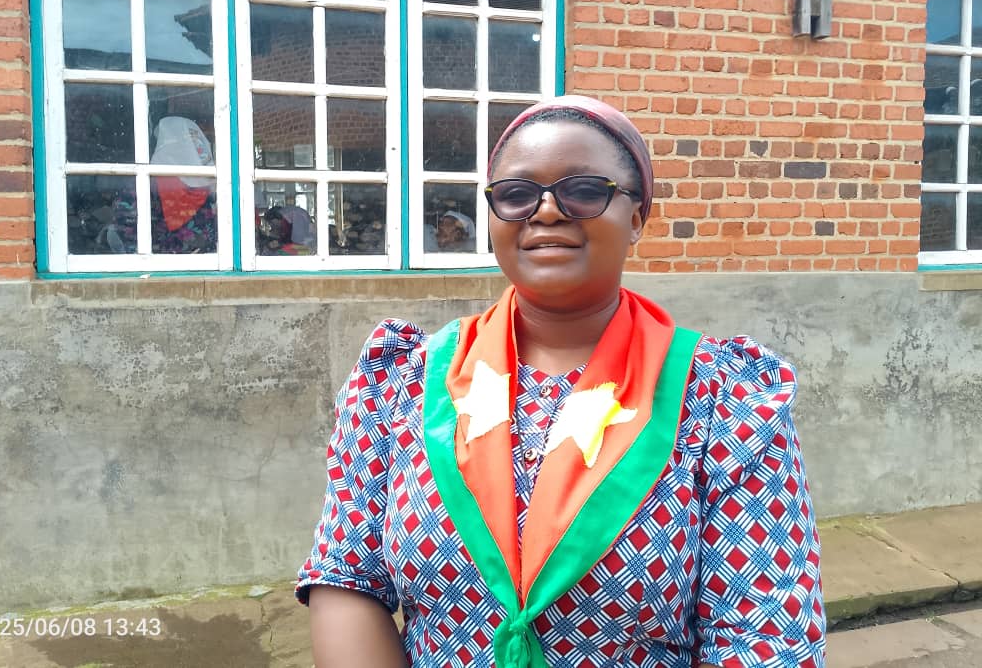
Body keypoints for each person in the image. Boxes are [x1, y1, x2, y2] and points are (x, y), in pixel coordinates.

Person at [297, 95, 826, 667]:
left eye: (584, 190)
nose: (546, 211)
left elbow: (765, 638)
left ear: (636, 218)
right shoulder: (403, 384)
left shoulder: (724, 400)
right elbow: (347, 579)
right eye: (516, 195)